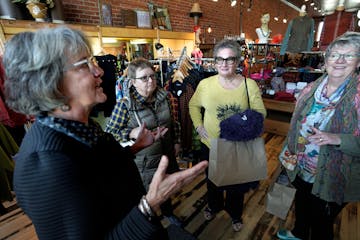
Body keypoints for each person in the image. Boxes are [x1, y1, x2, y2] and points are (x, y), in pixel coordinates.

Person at [2, 26, 208, 240]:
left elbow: (97, 172)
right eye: (85, 64)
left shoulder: (80, 128)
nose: (99, 70)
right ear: (51, 82)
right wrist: (150, 204)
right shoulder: (45, 165)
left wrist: (136, 147)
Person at [276, 32, 360, 240]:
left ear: (358, 62)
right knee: (302, 205)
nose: (340, 61)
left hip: (333, 175)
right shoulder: (313, 88)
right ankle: (299, 233)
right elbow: (297, 125)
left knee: (322, 222)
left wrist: (337, 139)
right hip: (301, 165)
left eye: (348, 56)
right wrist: (289, 152)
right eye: (334, 55)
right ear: (326, 59)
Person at [189, 39, 266, 232]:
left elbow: (260, 112)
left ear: (238, 61)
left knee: (236, 185)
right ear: (214, 61)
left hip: (237, 146)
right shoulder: (205, 84)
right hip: (210, 144)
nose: (224, 64)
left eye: (230, 59)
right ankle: (214, 205)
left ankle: (235, 213)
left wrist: (239, 125)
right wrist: (198, 125)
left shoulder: (249, 85)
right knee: (212, 181)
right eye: (219, 59)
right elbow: (193, 105)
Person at [105, 58, 182, 226]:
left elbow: (173, 122)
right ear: (133, 82)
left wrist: (177, 142)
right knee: (147, 199)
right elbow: (110, 134)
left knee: (166, 189)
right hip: (144, 163)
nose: (150, 81)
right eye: (144, 78)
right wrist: (130, 133)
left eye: (152, 76)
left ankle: (169, 213)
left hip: (167, 156)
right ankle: (148, 224)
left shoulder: (165, 97)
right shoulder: (125, 106)